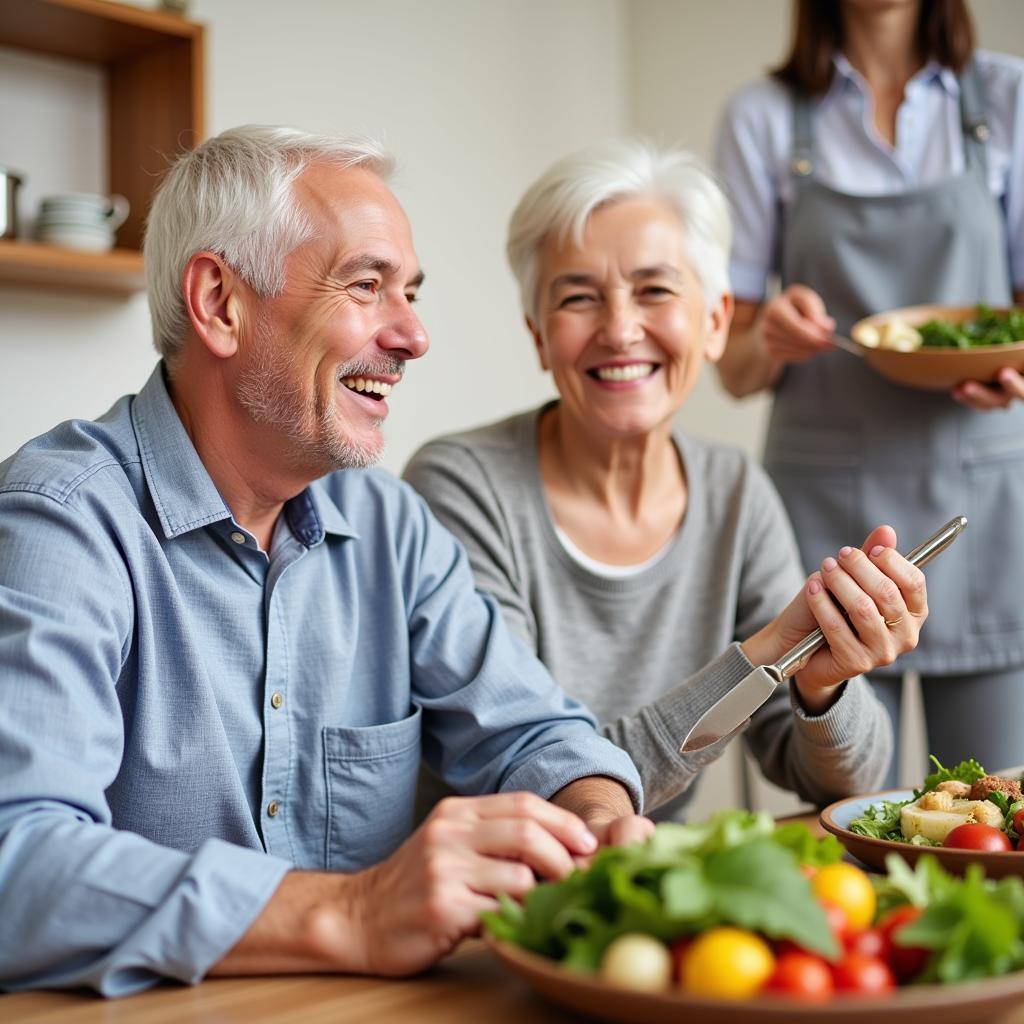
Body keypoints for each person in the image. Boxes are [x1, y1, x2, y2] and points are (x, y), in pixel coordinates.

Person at [0, 126, 654, 997]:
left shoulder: (390, 525)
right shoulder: (63, 523)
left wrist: (598, 816)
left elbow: (538, 735)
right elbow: (17, 866)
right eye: (367, 285)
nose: (415, 336)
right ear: (220, 303)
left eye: (411, 293)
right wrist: (351, 912)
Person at [404, 137, 928, 825]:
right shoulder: (461, 489)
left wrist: (822, 683)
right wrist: (765, 654)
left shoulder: (734, 491)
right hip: (495, 908)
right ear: (538, 335)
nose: (620, 330)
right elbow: (529, 781)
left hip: (660, 903)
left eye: (654, 290)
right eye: (578, 298)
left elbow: (842, 783)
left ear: (713, 323)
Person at [713, 0, 1024, 785]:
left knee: (994, 818)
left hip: (984, 510)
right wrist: (771, 339)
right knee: (839, 802)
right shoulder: (762, 118)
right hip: (826, 521)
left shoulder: (1010, 98)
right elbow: (734, 365)